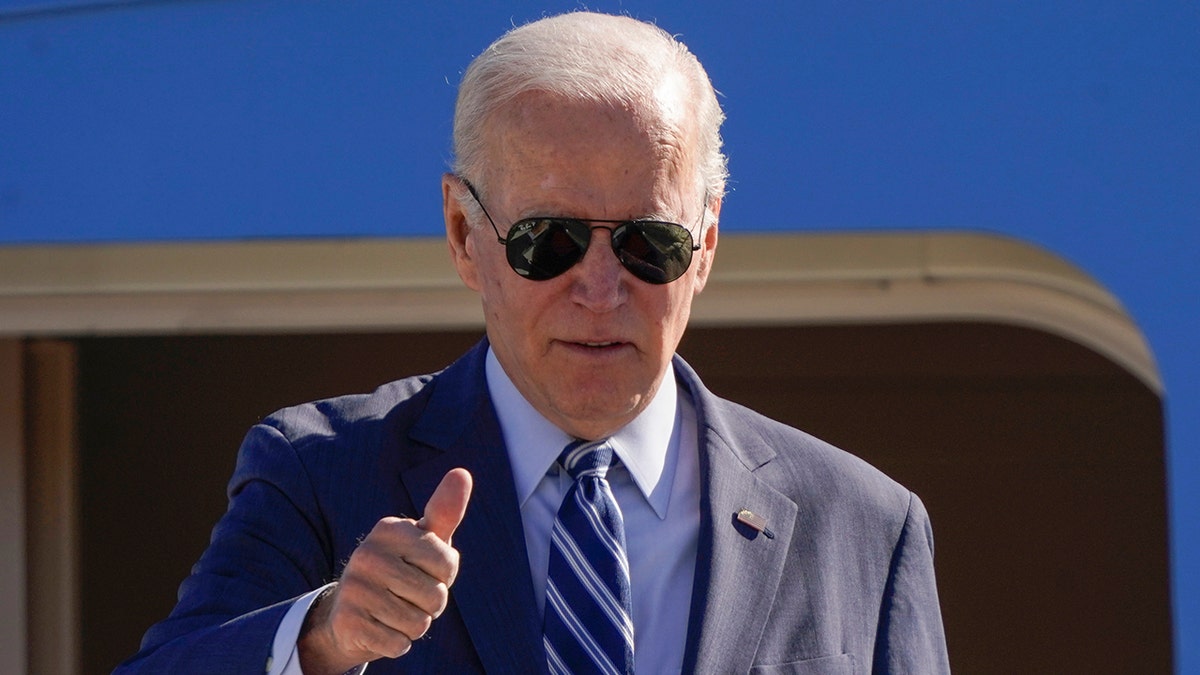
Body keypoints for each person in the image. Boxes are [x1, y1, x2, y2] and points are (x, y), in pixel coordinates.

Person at [117, 11, 949, 674]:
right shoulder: (320, 474)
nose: (598, 288)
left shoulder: (866, 524)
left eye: (646, 242)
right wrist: (322, 638)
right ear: (462, 233)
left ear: (705, 247)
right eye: (547, 241)